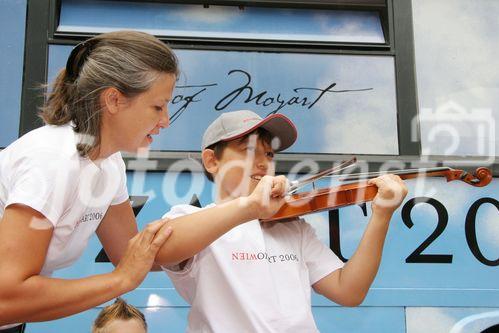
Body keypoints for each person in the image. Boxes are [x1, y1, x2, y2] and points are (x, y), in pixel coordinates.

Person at [0, 32, 288, 332]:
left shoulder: (108, 165)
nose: (165, 120)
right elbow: (5, 298)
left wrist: (244, 208)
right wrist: (119, 280)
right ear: (113, 100)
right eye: (157, 107)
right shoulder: (51, 159)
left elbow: (140, 255)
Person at [162, 110, 409, 332]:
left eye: (269, 154)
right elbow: (162, 249)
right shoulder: (188, 217)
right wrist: (250, 207)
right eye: (248, 150)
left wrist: (382, 215)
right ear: (212, 161)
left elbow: (349, 291)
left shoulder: (293, 227)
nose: (262, 162)